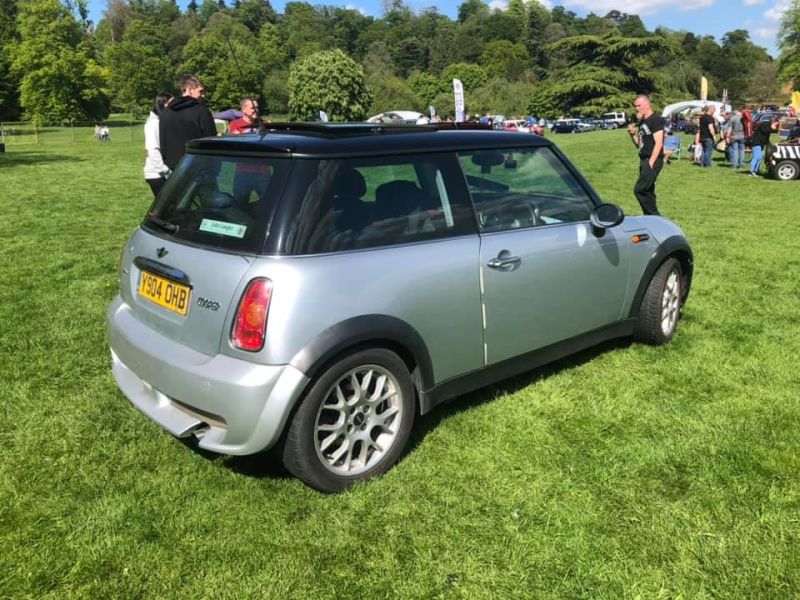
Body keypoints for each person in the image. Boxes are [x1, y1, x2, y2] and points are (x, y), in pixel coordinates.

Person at [159, 74, 217, 171]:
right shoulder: (202, 111)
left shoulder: (166, 112)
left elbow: (163, 145)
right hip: (199, 168)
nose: (203, 95)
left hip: (175, 170)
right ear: (189, 89)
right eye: (200, 91)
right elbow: (211, 141)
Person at [229, 97, 270, 206]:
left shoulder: (265, 124)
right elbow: (237, 145)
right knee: (239, 204)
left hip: (263, 171)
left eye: (257, 107)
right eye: (252, 108)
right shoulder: (235, 124)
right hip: (243, 171)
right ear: (244, 109)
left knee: (268, 203)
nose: (256, 110)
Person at [628, 94, 664, 216]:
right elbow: (640, 144)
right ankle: (650, 217)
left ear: (647, 104)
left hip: (652, 160)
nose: (636, 108)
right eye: (635, 106)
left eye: (639, 105)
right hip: (644, 159)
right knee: (648, 190)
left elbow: (659, 143)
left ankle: (654, 216)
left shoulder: (655, 120)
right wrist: (632, 135)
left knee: (639, 190)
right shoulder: (643, 121)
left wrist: (650, 163)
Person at [143, 92, 174, 197]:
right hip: (157, 174)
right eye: (171, 103)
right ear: (164, 104)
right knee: (166, 209)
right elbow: (152, 150)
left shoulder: (160, 122)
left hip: (161, 173)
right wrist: (166, 171)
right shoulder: (153, 124)